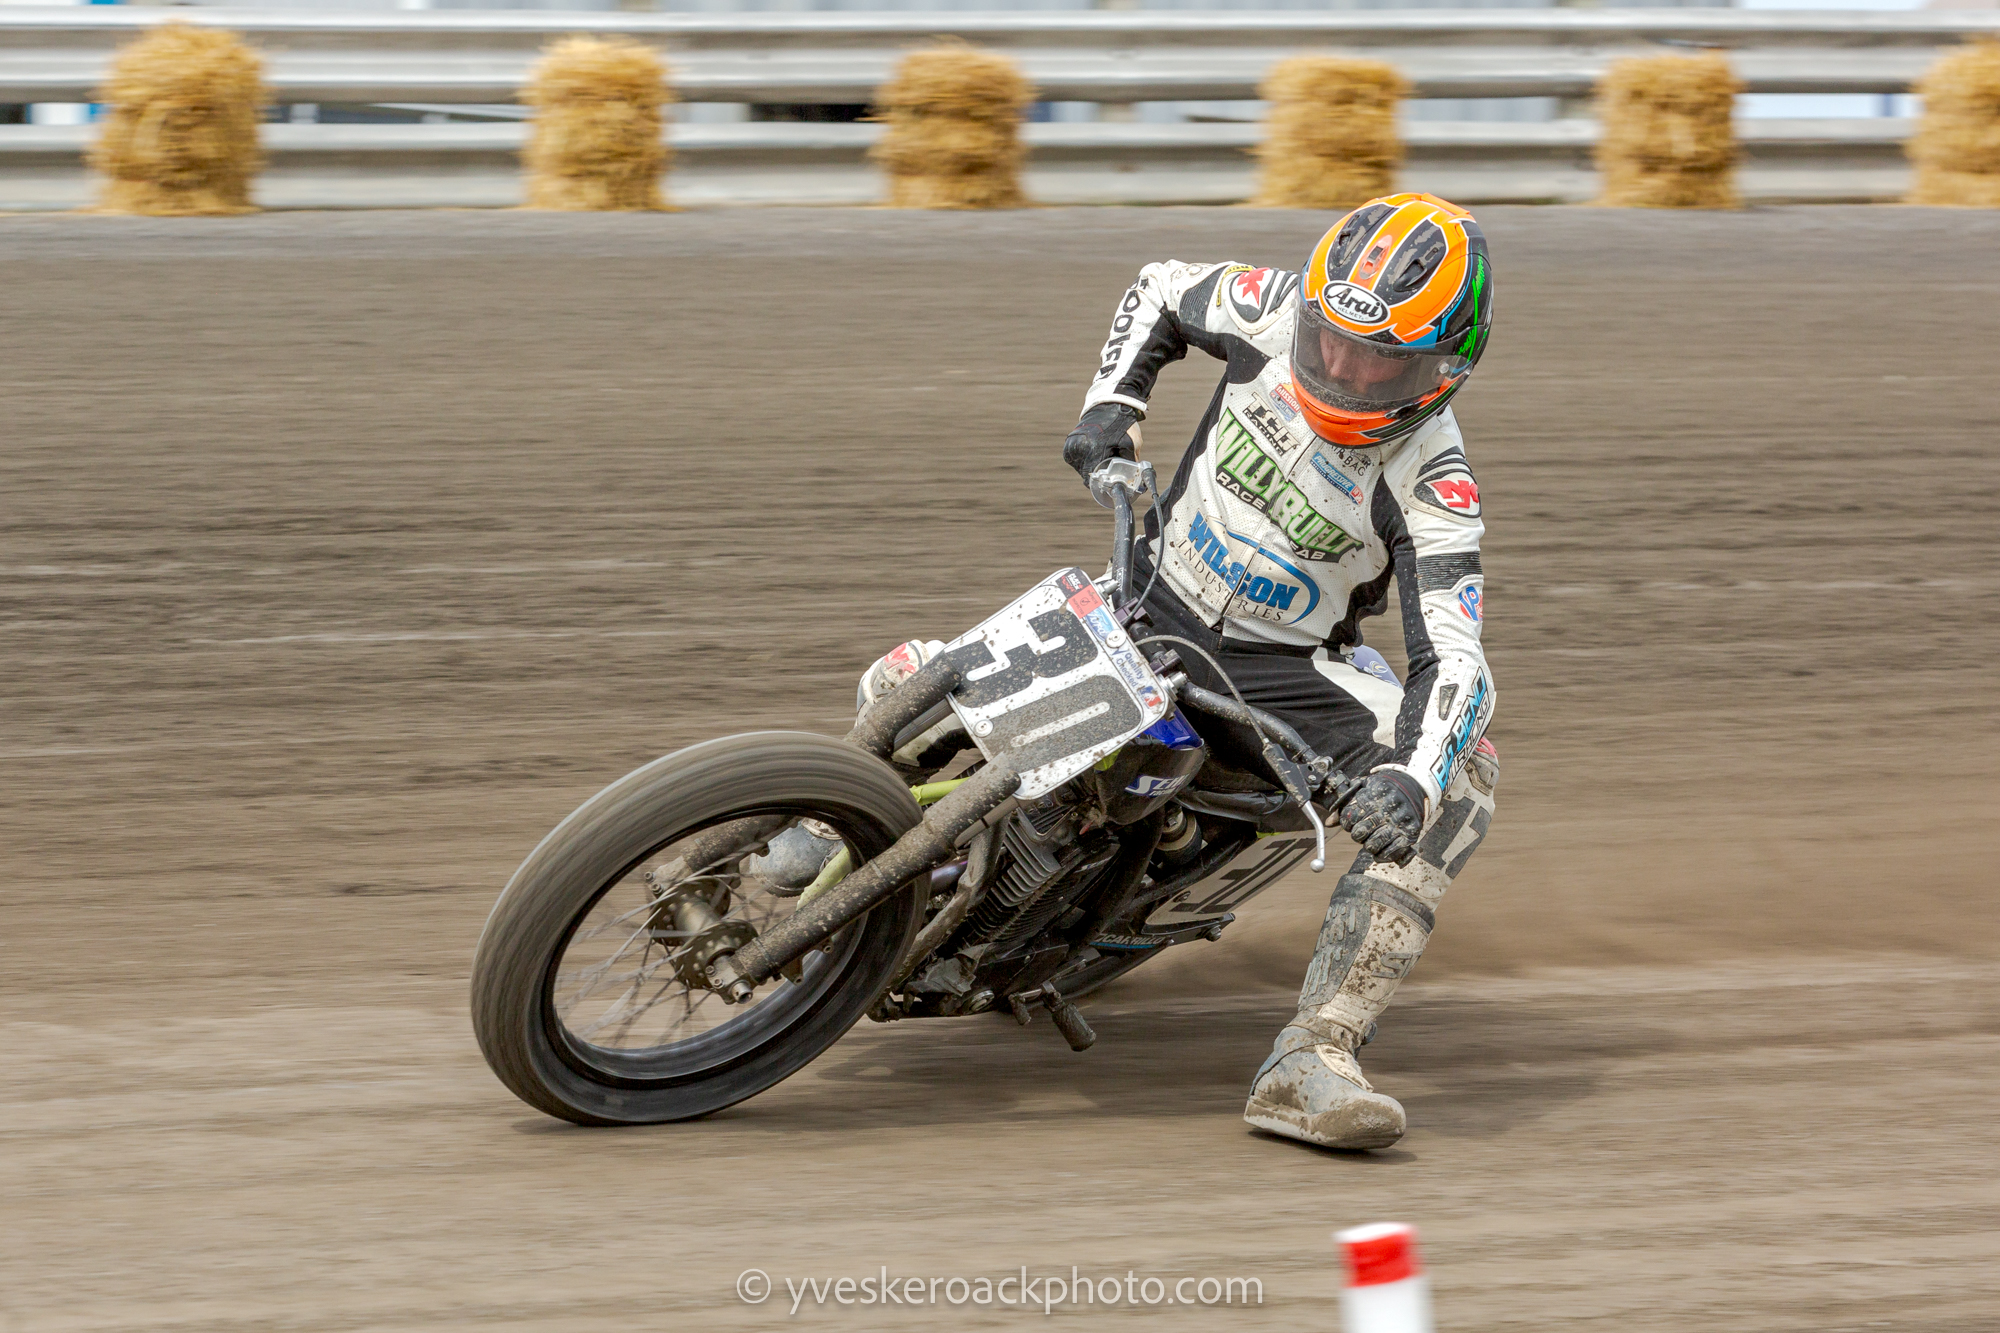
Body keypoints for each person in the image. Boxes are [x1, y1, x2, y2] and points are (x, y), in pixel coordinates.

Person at [1062, 193, 1500, 1151]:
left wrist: (1409, 780)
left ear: (1444, 371)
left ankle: (1313, 1054)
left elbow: (1458, 662)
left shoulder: (1437, 484)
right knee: (906, 675)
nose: (1342, 369)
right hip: (1148, 588)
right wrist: (1111, 409)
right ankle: (832, 811)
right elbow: (1161, 286)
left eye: (1380, 360)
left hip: (1284, 669)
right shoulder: (1269, 305)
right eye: (1329, 339)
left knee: (1465, 780)